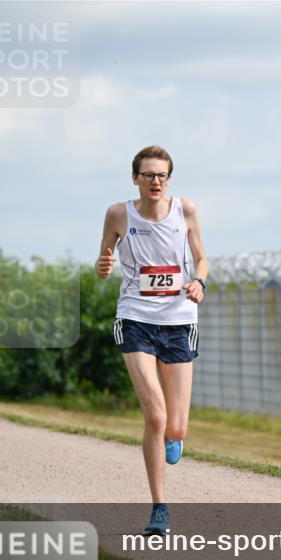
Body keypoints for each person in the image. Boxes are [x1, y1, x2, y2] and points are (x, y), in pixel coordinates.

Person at [95, 145, 208, 536]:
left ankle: (173, 439)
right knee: (155, 416)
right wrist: (103, 265)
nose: (155, 181)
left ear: (169, 180)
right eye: (148, 175)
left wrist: (199, 282)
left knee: (176, 426)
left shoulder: (186, 211)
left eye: (162, 175)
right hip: (135, 318)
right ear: (135, 178)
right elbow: (102, 263)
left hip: (178, 321)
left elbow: (202, 259)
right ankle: (160, 508)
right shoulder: (117, 214)